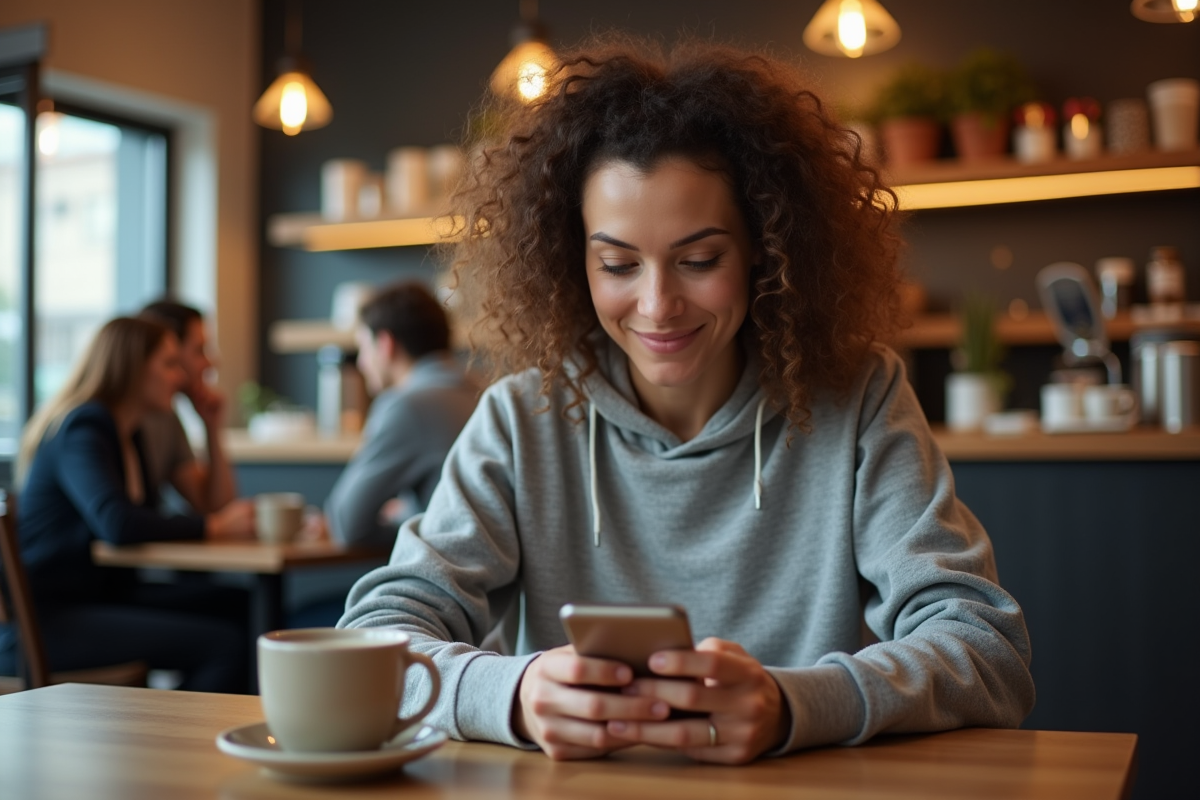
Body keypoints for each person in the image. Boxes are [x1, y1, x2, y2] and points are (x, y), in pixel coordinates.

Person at [339, 37, 1035, 764]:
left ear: (764, 248)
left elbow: (986, 651)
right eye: (617, 264)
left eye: (699, 260)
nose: (657, 304)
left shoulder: (859, 399)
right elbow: (373, 641)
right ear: (571, 260)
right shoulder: (521, 418)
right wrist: (510, 695)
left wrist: (794, 704)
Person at [3, 317, 254, 693]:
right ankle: (172, 747)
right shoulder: (84, 426)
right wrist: (214, 527)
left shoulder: (128, 430)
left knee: (243, 605)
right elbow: (117, 523)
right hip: (48, 619)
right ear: (134, 370)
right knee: (222, 645)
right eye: (169, 365)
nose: (181, 377)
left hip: (100, 596)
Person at [323, 281, 479, 545]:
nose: (361, 362)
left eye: (363, 347)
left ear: (385, 344)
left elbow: (344, 523)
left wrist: (405, 524)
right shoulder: (486, 390)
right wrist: (415, 513)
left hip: (444, 577)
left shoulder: (407, 405)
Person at [137, 299, 237, 515]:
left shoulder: (166, 417)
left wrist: (212, 428)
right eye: (199, 350)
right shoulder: (114, 420)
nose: (211, 362)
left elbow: (216, 507)